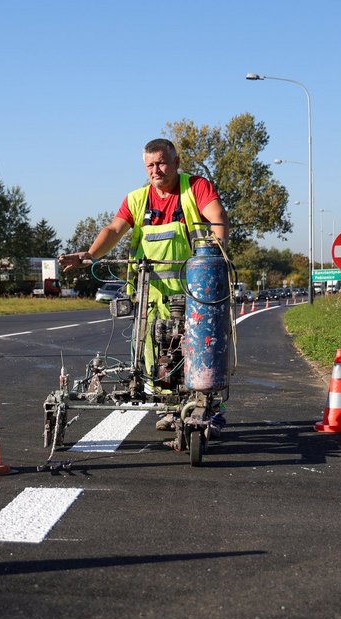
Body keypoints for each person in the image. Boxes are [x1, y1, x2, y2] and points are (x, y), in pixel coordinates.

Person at [58, 138, 229, 434]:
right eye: (150, 165)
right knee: (152, 352)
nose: (156, 169)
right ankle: (170, 408)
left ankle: (207, 407)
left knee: (198, 351)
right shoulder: (137, 199)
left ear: (176, 162)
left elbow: (217, 218)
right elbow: (114, 229)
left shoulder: (195, 188)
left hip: (193, 292)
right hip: (149, 293)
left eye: (162, 162)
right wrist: (89, 254)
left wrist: (216, 249)